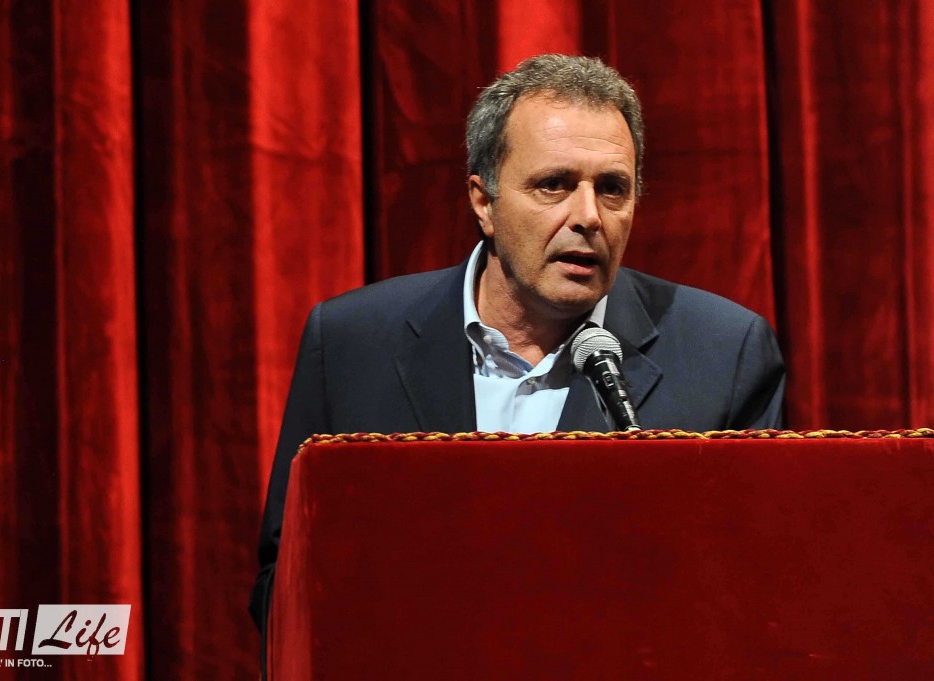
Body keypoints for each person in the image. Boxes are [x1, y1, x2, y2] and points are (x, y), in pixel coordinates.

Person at [250, 53, 785, 644]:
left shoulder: (723, 354)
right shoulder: (352, 342)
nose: (588, 217)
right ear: (484, 201)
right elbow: (286, 584)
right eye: (554, 185)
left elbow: (750, 597)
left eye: (613, 189)